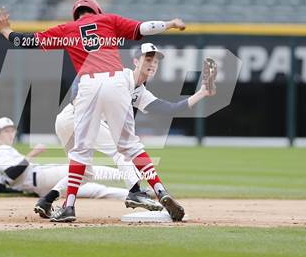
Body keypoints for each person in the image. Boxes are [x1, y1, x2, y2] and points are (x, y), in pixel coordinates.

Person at [0, 0, 188, 222]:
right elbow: (144, 27)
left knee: (81, 152)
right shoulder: (109, 20)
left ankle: (69, 206)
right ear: (96, 10)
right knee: (131, 147)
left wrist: (6, 30)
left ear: (77, 14)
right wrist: (170, 24)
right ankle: (160, 191)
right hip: (116, 81)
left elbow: (27, 41)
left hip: (88, 84)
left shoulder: (67, 29)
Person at [35, 43, 217, 218]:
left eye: (155, 61)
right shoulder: (119, 75)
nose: (152, 64)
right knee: (122, 150)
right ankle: (135, 192)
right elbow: (82, 74)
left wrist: (202, 92)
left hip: (67, 121)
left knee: (84, 172)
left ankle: (47, 200)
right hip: (74, 116)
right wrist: (76, 99)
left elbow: (170, 109)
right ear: (136, 62)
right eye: (147, 59)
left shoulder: (140, 92)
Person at [0, 117, 141, 201]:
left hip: (40, 187)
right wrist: (32, 154)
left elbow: (1, 188)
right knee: (91, 171)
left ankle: (142, 194)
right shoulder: (2, 151)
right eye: (5, 131)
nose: (10, 134)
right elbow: (13, 173)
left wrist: (25, 189)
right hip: (42, 177)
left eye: (12, 130)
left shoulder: (7, 153)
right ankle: (137, 182)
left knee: (95, 190)